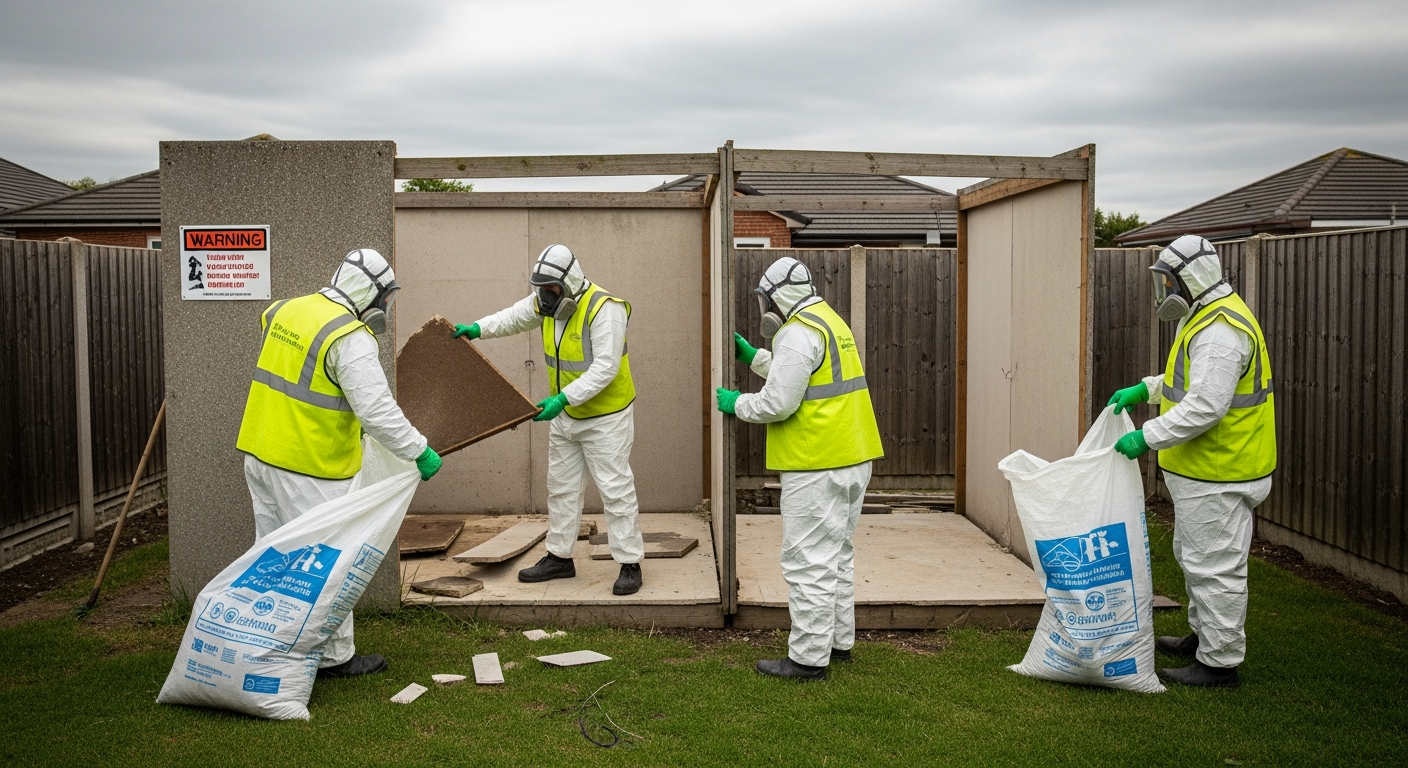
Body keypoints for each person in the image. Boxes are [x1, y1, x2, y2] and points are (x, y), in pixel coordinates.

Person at [236, 248, 442, 679]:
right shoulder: (351, 338)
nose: (385, 308)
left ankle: (265, 642)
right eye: (385, 298)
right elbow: (376, 410)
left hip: (260, 453)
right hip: (308, 467)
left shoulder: (285, 310)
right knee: (327, 563)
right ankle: (333, 657)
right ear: (369, 291)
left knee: (273, 557)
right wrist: (417, 450)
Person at [1107, 234, 1276, 688]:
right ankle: (1204, 637)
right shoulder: (1206, 316)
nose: (1163, 294)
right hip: (1207, 470)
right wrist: (1148, 388)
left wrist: (1147, 436)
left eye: (1167, 283)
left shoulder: (1220, 331)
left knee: (1215, 567)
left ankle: (1219, 663)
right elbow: (1187, 379)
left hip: (1220, 471)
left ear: (1191, 278)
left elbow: (1205, 406)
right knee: (1194, 556)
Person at [717, 257, 884, 681]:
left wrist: (736, 403)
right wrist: (757, 358)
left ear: (776, 297)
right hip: (852, 455)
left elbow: (779, 402)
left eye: (766, 299)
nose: (766, 307)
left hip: (817, 464)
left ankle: (808, 659)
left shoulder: (795, 332)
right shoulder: (829, 321)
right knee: (837, 557)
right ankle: (837, 643)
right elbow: (805, 378)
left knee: (808, 561)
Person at [452, 245, 645, 596]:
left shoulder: (605, 309)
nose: (544, 297)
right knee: (561, 488)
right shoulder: (546, 303)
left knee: (614, 489)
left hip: (606, 417)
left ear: (568, 284)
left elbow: (606, 368)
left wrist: (561, 399)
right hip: (567, 415)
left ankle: (630, 562)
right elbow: (513, 316)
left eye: (551, 289)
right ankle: (559, 557)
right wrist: (478, 328)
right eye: (540, 289)